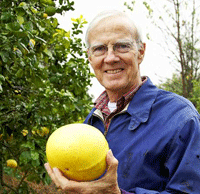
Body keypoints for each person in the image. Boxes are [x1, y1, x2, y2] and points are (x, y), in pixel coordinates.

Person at [44, 10, 200, 193]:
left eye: (121, 46)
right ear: (90, 58)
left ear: (140, 52)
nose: (110, 58)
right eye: (100, 49)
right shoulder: (91, 122)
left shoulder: (180, 118)